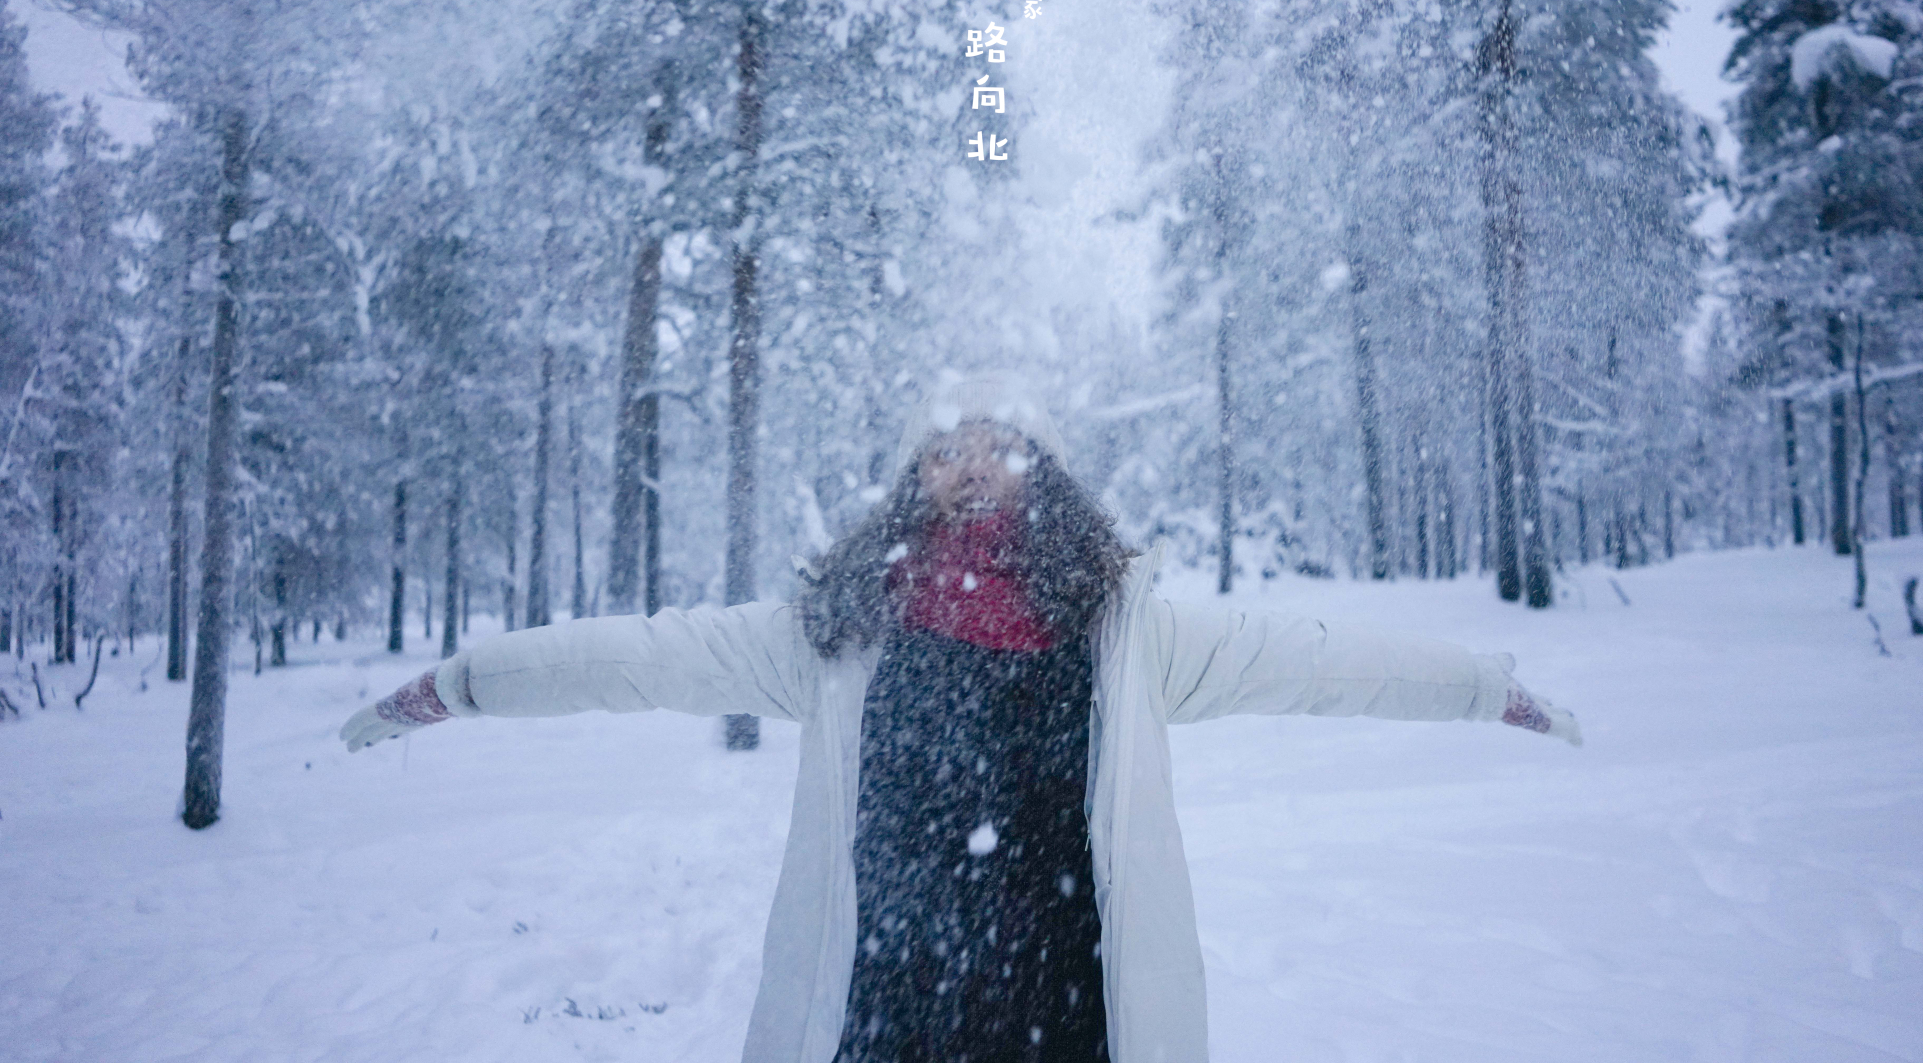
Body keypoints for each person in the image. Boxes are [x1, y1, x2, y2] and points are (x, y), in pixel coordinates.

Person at [342, 371, 1580, 1063]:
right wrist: (465, 681)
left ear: (1042, 466)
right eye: (945, 449)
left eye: (998, 442)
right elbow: (646, 654)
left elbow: (1319, 659)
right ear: (912, 476)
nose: (972, 465)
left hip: (1070, 1015)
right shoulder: (836, 633)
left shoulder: (1125, 630)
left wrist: (1479, 686)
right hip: (883, 1011)